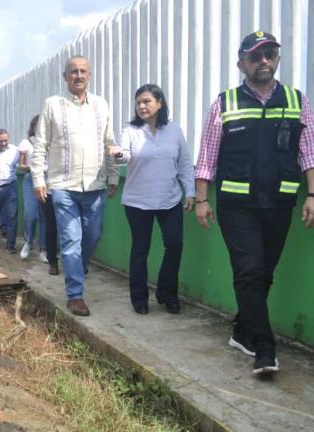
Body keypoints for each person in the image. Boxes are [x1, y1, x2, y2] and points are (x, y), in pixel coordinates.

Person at [194, 31, 314, 376]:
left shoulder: (297, 101)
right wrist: (202, 199)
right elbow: (207, 157)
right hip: (236, 206)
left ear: (277, 59)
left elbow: (308, 153)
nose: (265, 61)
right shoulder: (225, 103)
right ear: (241, 63)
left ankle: (241, 331)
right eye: (256, 56)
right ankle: (265, 348)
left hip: (279, 204)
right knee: (249, 272)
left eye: (271, 54)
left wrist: (312, 194)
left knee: (263, 274)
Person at [31, 55, 120, 317]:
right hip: (63, 186)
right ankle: (75, 294)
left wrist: (113, 177)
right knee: (71, 241)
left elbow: (109, 142)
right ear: (65, 77)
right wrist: (38, 179)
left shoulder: (101, 106)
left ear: (89, 75)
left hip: (94, 185)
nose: (78, 75)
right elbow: (40, 146)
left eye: (83, 71)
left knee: (92, 237)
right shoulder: (53, 105)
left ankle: (76, 269)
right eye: (73, 72)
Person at [111, 84, 195, 315]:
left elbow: (185, 163)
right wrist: (119, 154)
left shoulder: (175, 130)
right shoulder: (130, 130)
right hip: (138, 201)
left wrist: (190, 191)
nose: (142, 106)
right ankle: (139, 298)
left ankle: (167, 293)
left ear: (159, 102)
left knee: (175, 245)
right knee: (140, 249)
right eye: (138, 102)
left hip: (170, 199)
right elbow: (125, 154)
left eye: (147, 101)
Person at [17, 115, 48, 263]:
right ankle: (28, 242)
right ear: (33, 127)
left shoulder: (52, 141)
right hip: (31, 180)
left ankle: (43, 249)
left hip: (49, 180)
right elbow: (20, 165)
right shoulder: (26, 142)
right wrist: (34, 167)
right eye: (38, 126)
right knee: (31, 215)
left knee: (45, 217)